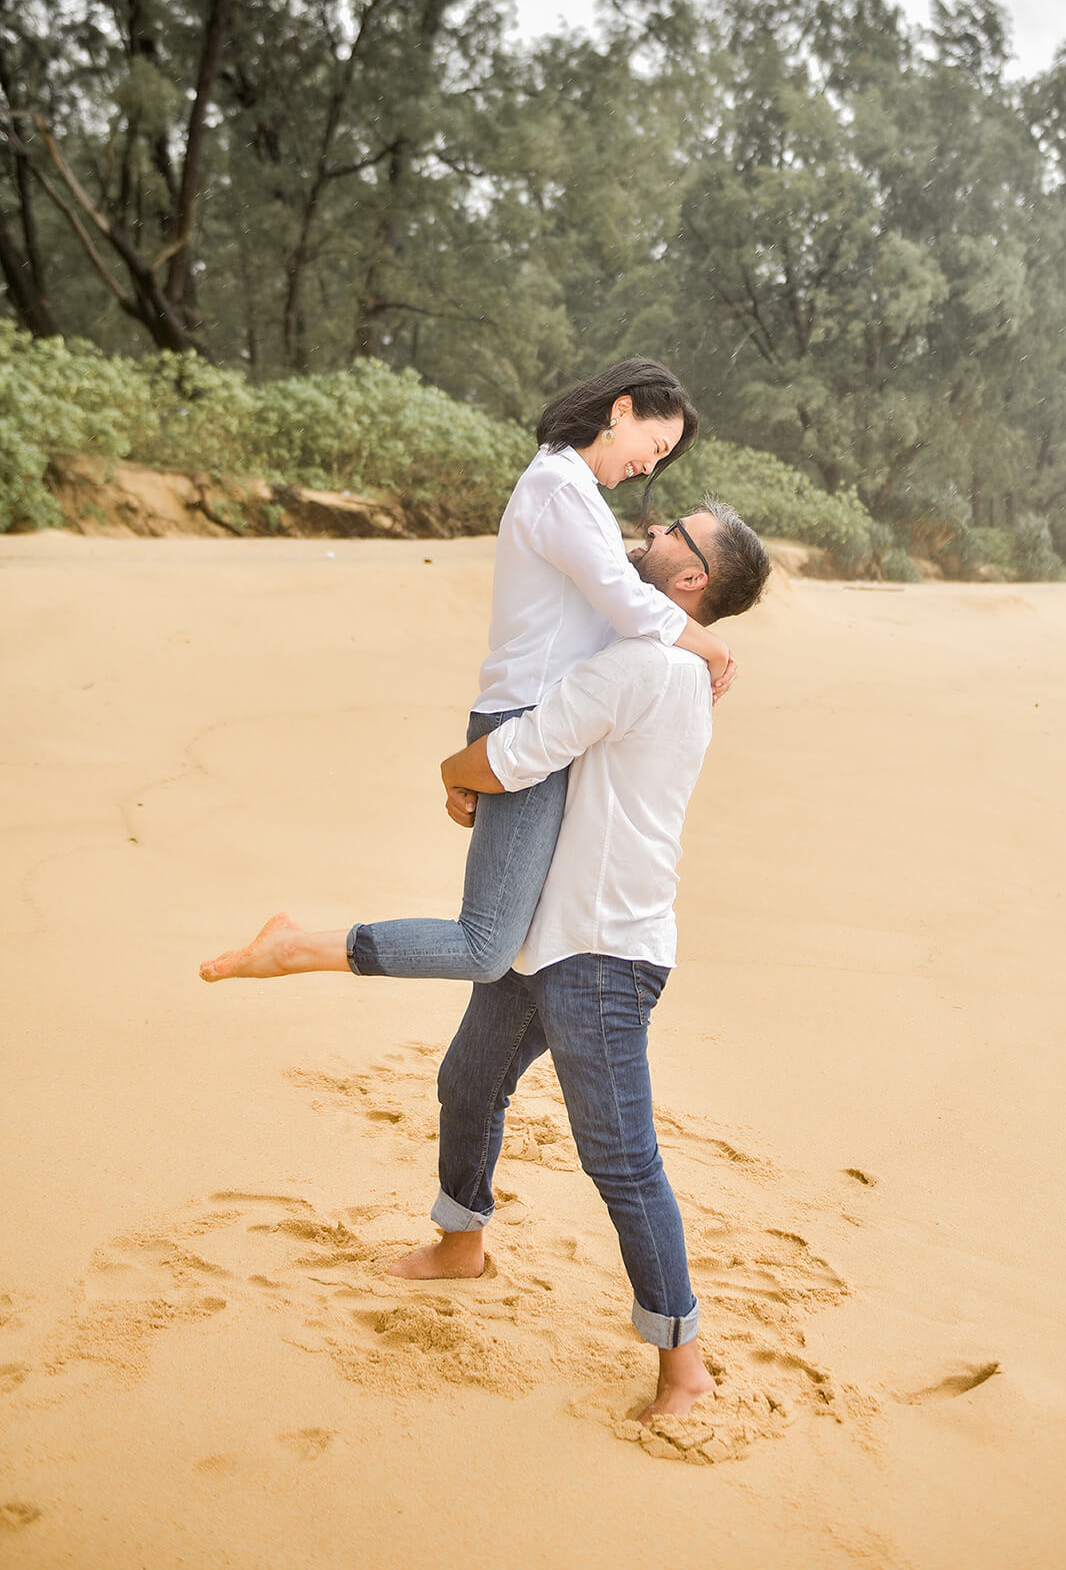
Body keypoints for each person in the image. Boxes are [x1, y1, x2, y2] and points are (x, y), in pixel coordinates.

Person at [201, 501, 771, 1423]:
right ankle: (461, 1241)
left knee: (622, 1160)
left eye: (674, 528)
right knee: (469, 1080)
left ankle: (684, 1362)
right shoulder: (659, 661)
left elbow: (515, 756)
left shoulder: (644, 669)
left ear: (693, 577)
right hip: (548, 937)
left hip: (603, 955)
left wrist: (453, 776)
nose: (653, 526)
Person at [201, 358, 734, 990]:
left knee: (525, 929)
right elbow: (623, 598)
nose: (652, 465)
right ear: (621, 412)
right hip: (529, 723)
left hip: (541, 720)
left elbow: (610, 607)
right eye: (657, 445)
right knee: (486, 945)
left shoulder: (573, 491)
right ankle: (293, 948)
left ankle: (481, 1078)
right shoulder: (560, 486)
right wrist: (711, 646)